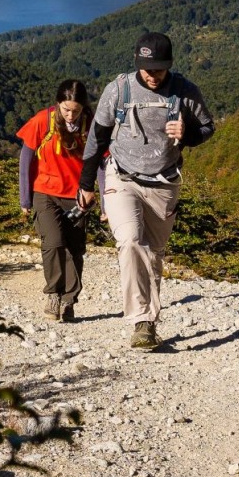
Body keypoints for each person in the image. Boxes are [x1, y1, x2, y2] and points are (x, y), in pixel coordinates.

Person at [79, 31, 216, 350]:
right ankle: (140, 320)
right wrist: (86, 184)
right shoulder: (119, 90)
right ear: (137, 64)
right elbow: (97, 139)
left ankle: (150, 323)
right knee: (130, 242)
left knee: (153, 252)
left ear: (169, 65)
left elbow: (207, 128)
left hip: (165, 182)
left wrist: (187, 133)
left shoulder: (184, 91)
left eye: (158, 69)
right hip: (121, 177)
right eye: (146, 69)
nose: (152, 75)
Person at [16, 80, 97, 322]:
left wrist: (99, 193)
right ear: (58, 104)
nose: (71, 115)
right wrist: (25, 197)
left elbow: (102, 162)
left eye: (76, 110)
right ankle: (53, 293)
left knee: (75, 249)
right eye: (66, 109)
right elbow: (25, 158)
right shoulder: (43, 120)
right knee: (53, 242)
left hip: (77, 195)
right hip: (45, 191)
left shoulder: (90, 124)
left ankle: (68, 300)